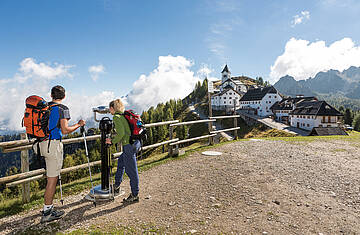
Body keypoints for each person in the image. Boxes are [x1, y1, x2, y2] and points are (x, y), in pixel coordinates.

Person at [38, 85, 86, 223]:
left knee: (50, 178)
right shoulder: (62, 109)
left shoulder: (45, 107)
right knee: (52, 180)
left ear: (51, 95)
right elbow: (65, 130)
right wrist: (78, 124)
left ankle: (49, 207)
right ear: (64, 96)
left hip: (42, 144)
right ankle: (47, 212)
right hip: (53, 145)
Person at [106, 99, 141, 203]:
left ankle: (135, 195)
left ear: (112, 108)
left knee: (131, 171)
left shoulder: (116, 117)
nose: (109, 110)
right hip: (135, 143)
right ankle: (117, 185)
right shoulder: (123, 116)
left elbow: (120, 134)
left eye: (109, 108)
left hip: (129, 146)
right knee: (121, 162)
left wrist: (111, 141)